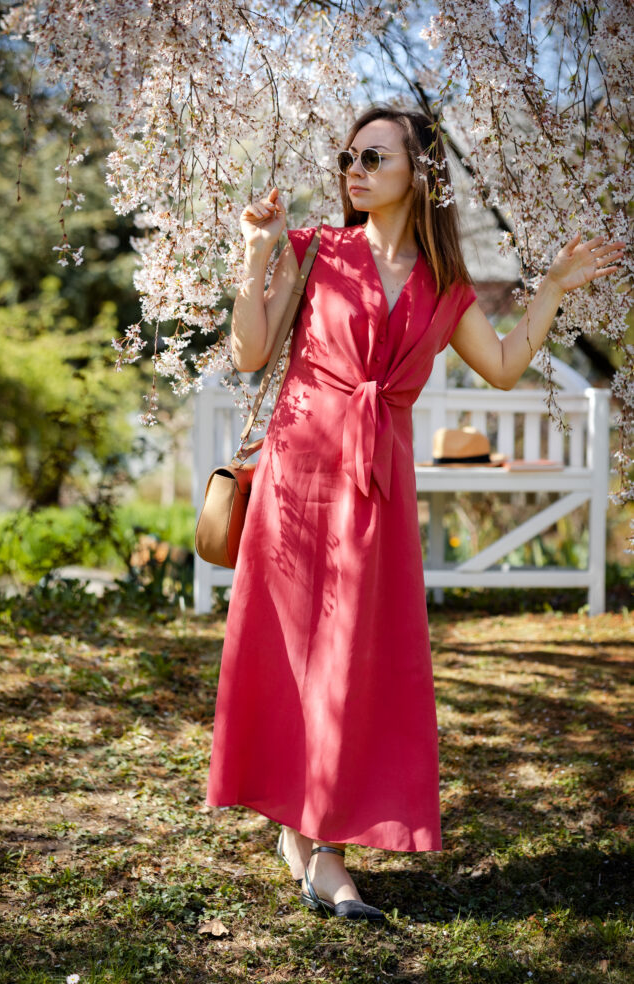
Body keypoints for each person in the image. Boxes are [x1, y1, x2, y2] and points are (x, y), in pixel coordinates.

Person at [204, 106, 625, 921]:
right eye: (347, 156)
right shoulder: (317, 249)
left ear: (419, 174)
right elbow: (250, 354)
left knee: (355, 665)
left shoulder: (444, 285)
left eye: (372, 156)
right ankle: (313, 845)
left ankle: (315, 835)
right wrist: (256, 252)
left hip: (376, 493)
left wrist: (551, 290)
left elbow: (503, 366)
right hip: (298, 477)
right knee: (294, 653)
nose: (352, 169)